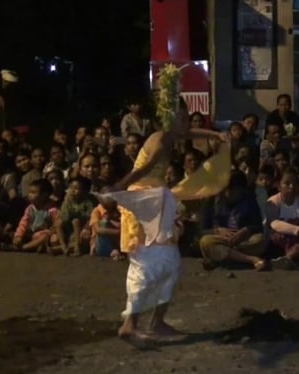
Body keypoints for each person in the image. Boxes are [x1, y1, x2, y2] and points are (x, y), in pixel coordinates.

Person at [99, 66, 231, 343]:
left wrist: (214, 136)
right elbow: (141, 169)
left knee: (169, 262)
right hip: (145, 201)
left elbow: (190, 133)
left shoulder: (171, 135)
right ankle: (131, 323)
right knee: (149, 263)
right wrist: (117, 190)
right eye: (182, 116)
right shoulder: (160, 140)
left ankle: (155, 322)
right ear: (172, 117)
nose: (186, 120)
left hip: (156, 200)